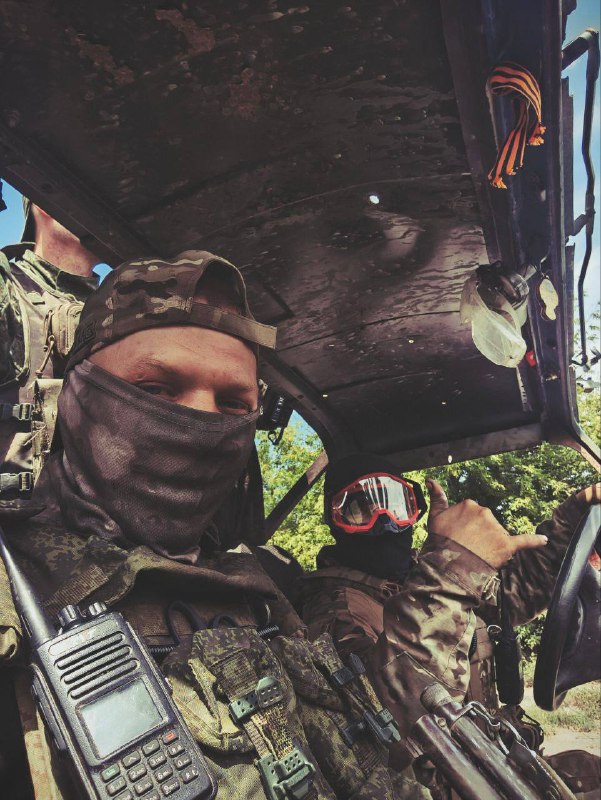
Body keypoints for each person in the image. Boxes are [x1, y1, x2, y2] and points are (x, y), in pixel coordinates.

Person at [0, 252, 436, 800]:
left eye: (233, 403)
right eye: (155, 389)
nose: (203, 419)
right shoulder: (15, 590)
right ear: (74, 395)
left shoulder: (263, 586)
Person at [300, 453, 601, 798]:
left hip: (494, 764)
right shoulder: (333, 612)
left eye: (397, 505)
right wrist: (448, 573)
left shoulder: (417, 577)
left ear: (415, 510)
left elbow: (512, 596)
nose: (385, 521)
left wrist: (573, 521)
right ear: (335, 520)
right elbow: (388, 725)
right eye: (360, 510)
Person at [0, 199, 100, 510]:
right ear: (43, 205)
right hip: (14, 526)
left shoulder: (127, 314)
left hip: (104, 529)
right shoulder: (8, 292)